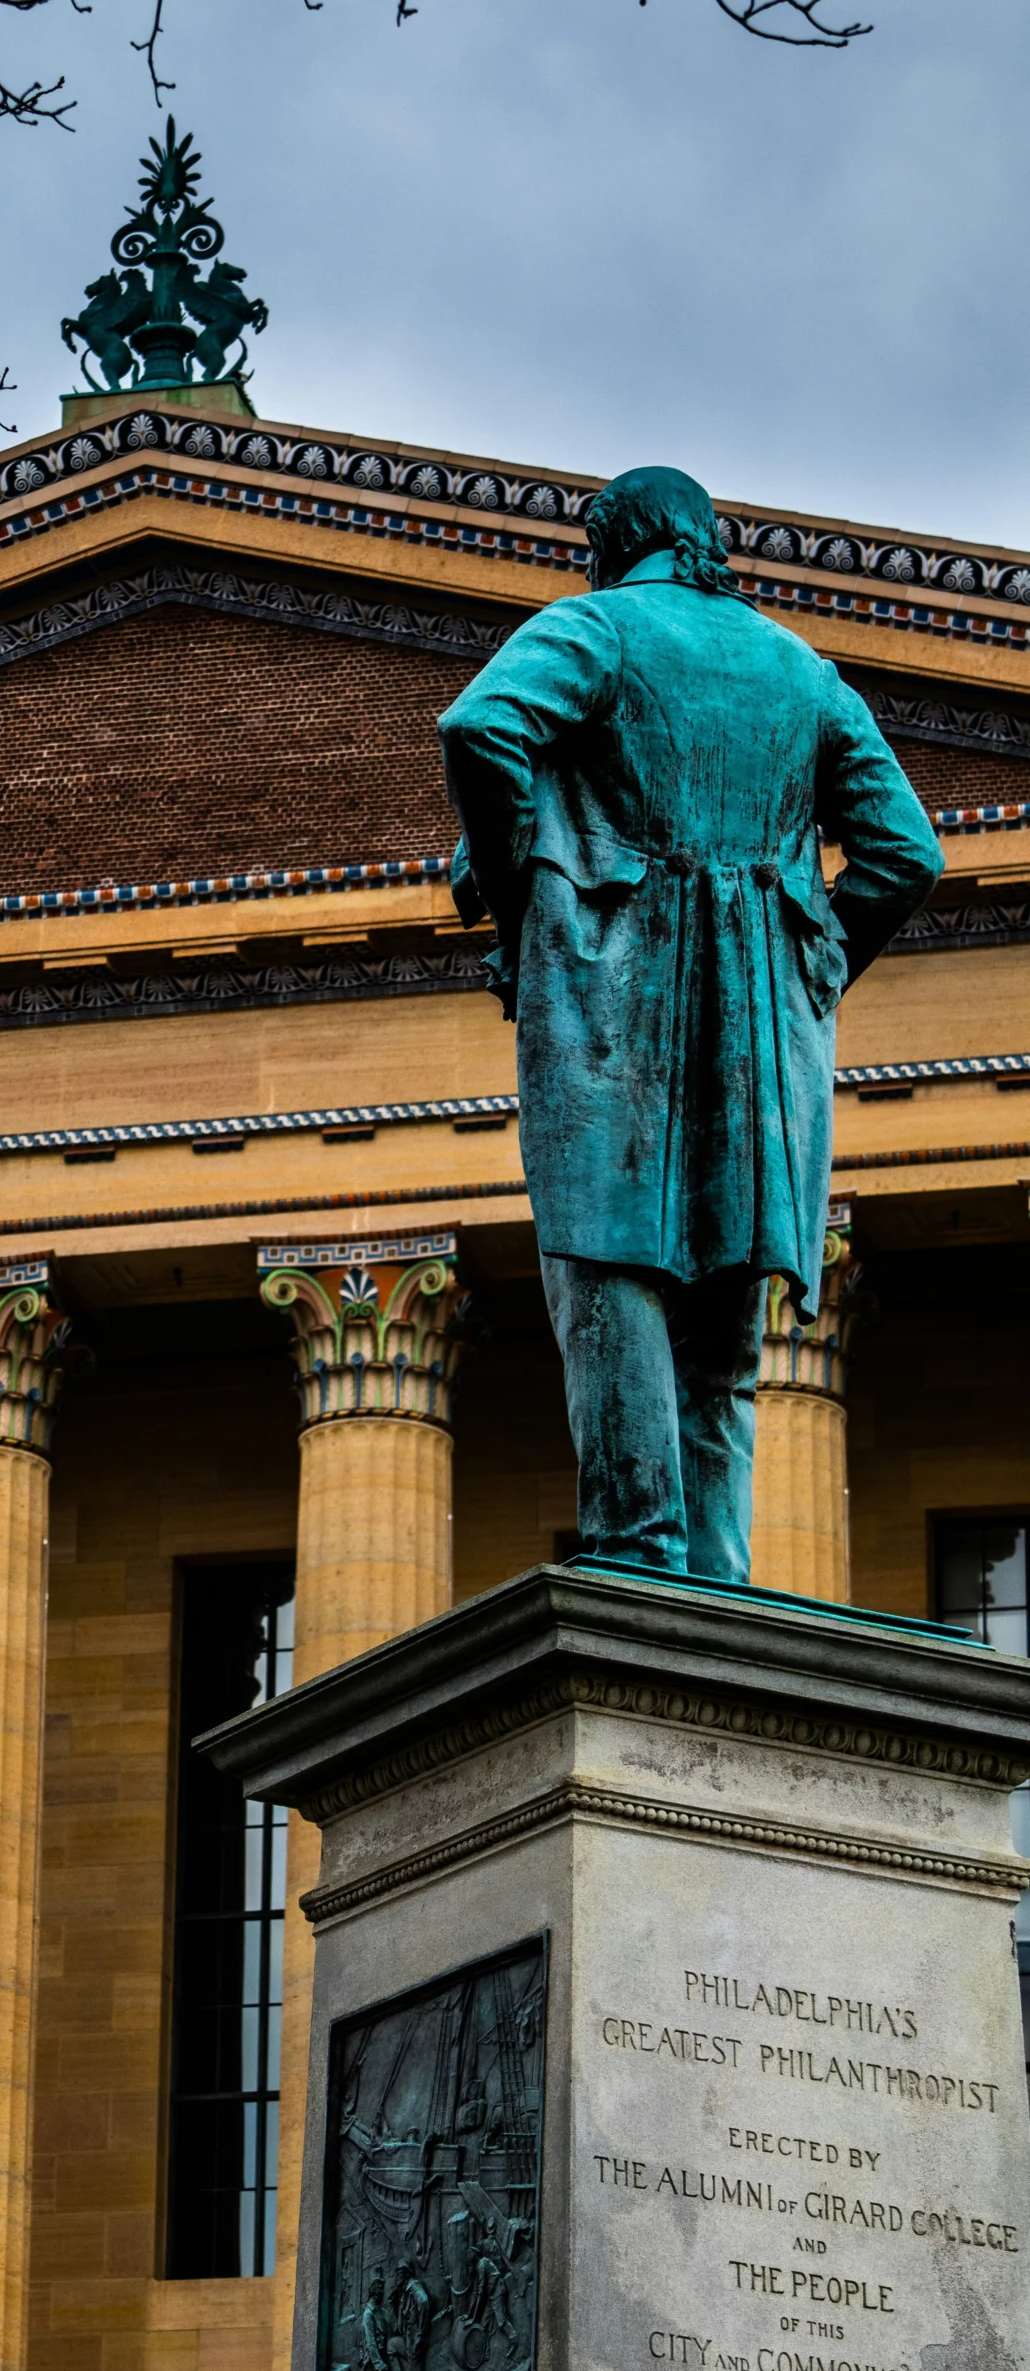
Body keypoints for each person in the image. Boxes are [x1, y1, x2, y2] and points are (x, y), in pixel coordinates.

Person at [439, 466, 942, 1579]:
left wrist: (525, 892)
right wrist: (812, 958)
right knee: (723, 1317)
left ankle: (638, 1554)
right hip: (762, 1021)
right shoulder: (800, 672)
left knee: (610, 1264)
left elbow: (481, 728)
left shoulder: (601, 630)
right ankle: (716, 1577)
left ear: (616, 542)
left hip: (618, 994)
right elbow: (907, 850)